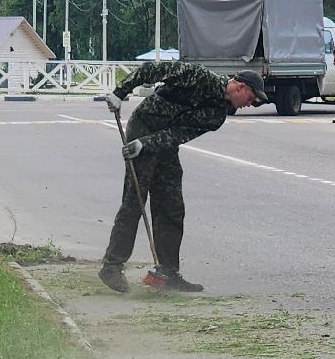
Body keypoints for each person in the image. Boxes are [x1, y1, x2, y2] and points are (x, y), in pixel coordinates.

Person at [99, 63, 268, 293]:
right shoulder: (198, 77)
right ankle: (112, 266)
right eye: (253, 97)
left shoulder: (217, 116)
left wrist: (146, 145)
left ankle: (167, 273)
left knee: (172, 204)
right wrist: (120, 92)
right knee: (135, 198)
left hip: (162, 141)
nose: (252, 104)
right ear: (240, 86)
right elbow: (151, 70)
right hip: (144, 125)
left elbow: (179, 134)